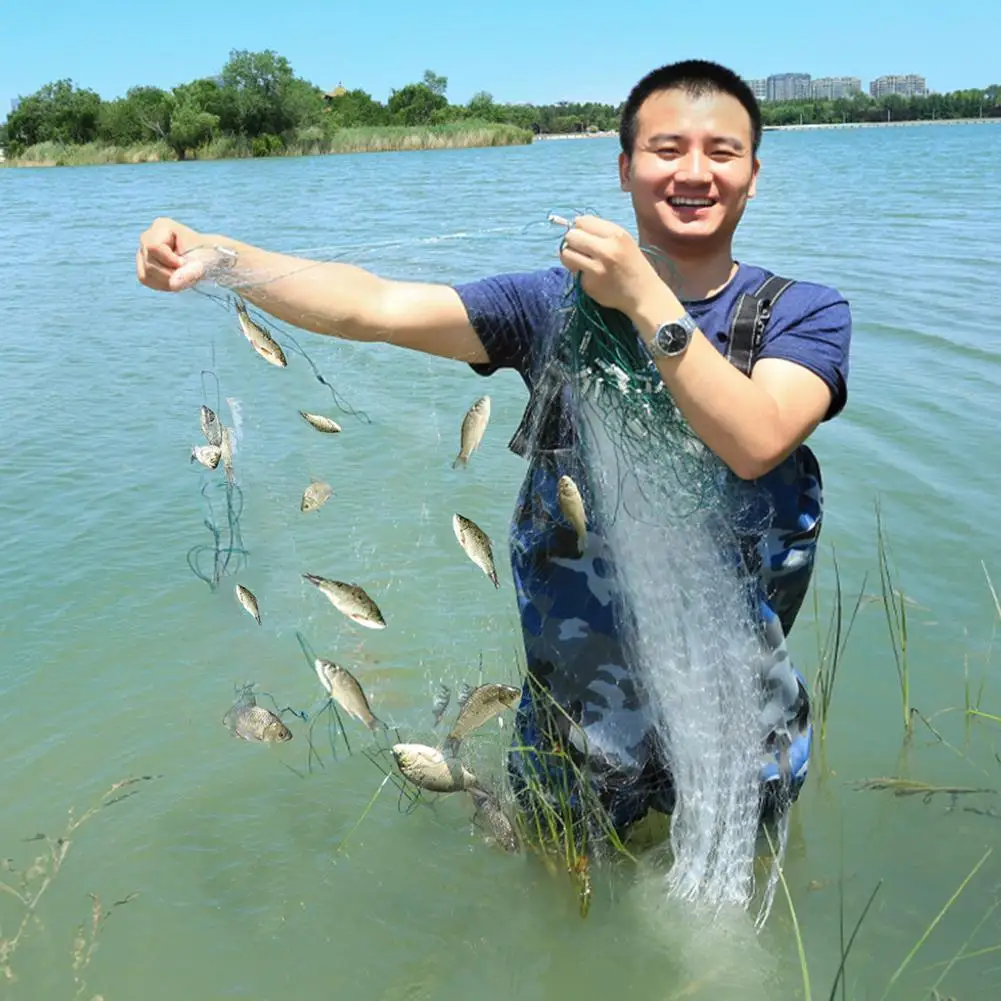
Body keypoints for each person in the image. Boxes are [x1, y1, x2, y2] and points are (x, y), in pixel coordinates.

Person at [136, 58, 851, 842]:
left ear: (752, 174)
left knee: (742, 900)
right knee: (560, 894)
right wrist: (220, 254)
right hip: (575, 725)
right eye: (665, 148)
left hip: (737, 716)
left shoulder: (799, 314)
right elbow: (370, 305)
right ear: (624, 169)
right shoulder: (549, 306)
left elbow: (755, 440)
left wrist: (646, 298)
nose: (692, 171)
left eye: (721, 152)